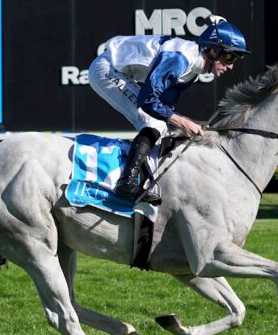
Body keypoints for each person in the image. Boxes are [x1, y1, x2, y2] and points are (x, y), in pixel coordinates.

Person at [88, 15, 249, 202]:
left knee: (162, 126)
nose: (230, 66)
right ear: (213, 50)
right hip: (107, 69)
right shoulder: (180, 59)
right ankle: (126, 183)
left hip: (121, 72)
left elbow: (163, 106)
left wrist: (188, 121)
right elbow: (147, 101)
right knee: (153, 123)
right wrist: (182, 121)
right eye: (229, 57)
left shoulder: (193, 70)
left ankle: (145, 181)